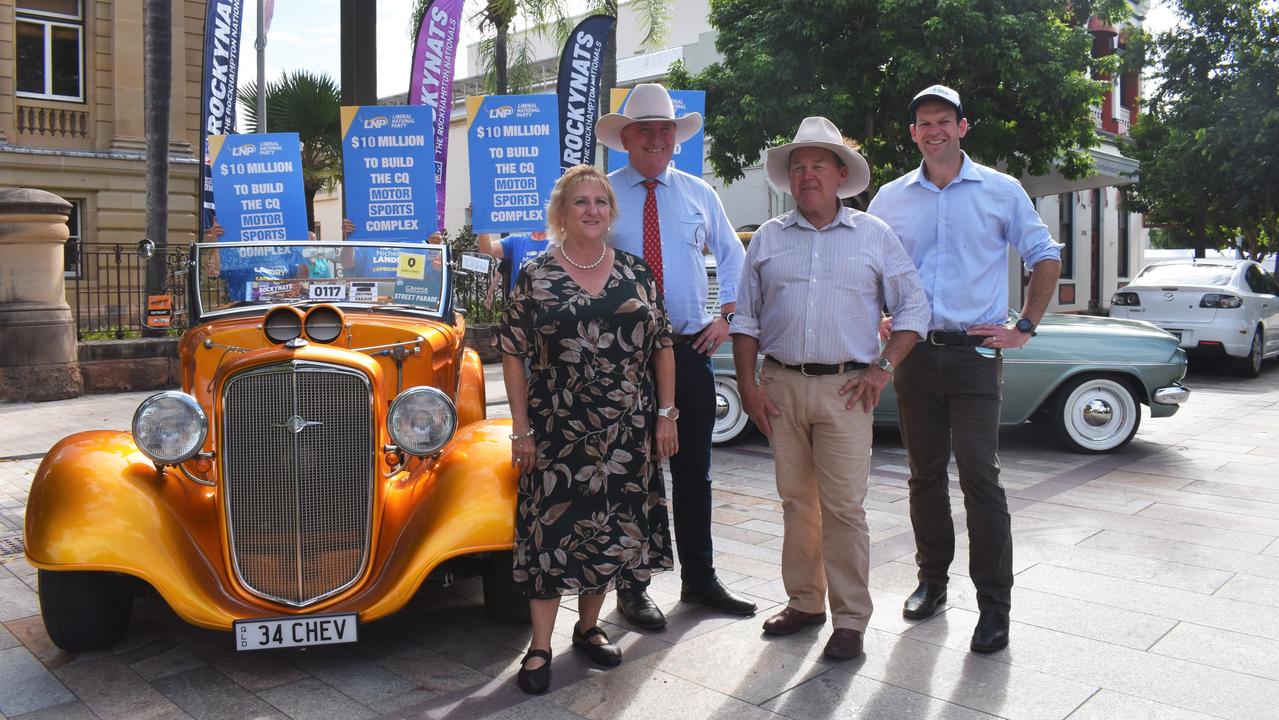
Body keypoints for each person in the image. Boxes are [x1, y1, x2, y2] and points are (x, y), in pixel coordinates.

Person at [867, 84, 1063, 653]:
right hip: (915, 355)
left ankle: (994, 607)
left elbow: (1044, 255)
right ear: (913, 133)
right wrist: (881, 312)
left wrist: (1024, 325)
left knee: (980, 475)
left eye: (944, 121)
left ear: (962, 127)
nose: (934, 130)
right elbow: (870, 263)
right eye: (924, 122)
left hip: (977, 353)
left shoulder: (1001, 191)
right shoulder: (891, 198)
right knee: (924, 474)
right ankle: (932, 582)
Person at [731, 117, 929, 660]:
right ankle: (805, 602)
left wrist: (883, 368)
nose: (807, 175)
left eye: (819, 165)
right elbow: (745, 319)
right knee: (797, 503)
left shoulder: (873, 235)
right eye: (798, 167)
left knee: (844, 508)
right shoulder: (768, 239)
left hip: (847, 389)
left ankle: (850, 620)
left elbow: (915, 308)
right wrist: (749, 386)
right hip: (782, 386)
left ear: (841, 175)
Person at [494, 164, 677, 695]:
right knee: (550, 533)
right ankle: (539, 647)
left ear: (610, 211)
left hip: (625, 431)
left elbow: (662, 343)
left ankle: (589, 627)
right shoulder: (536, 273)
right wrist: (521, 429)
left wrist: (667, 414)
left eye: (600, 201)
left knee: (608, 529)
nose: (592, 209)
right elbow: (511, 351)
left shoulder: (636, 272)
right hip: (557, 429)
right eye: (581, 202)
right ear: (561, 213)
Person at [597, 82, 756, 627]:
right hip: (621, 358)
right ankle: (632, 587)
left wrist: (727, 317)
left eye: (666, 130)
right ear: (627, 138)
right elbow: (571, 255)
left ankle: (701, 580)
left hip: (689, 351)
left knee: (695, 472)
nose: (658, 139)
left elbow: (733, 257)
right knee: (630, 475)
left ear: (675, 138)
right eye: (647, 130)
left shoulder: (698, 193)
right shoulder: (603, 194)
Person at [479, 230, 550, 296]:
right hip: (520, 304)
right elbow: (487, 251)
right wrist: (483, 219)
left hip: (549, 304)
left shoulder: (558, 243)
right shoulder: (516, 241)